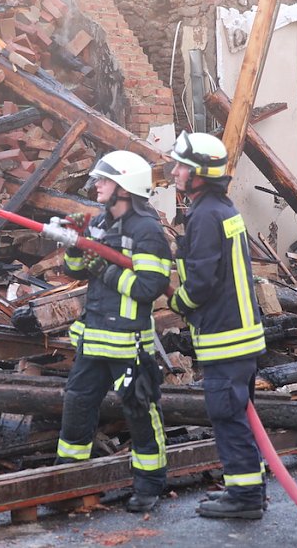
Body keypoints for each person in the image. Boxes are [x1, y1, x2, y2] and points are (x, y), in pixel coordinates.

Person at [56, 150, 172, 513]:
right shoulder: (100, 222)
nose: (97, 185)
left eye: (104, 180)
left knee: (139, 411)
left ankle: (149, 484)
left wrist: (104, 270)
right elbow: (76, 270)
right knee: (77, 405)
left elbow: (149, 287)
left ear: (125, 187)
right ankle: (68, 481)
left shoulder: (147, 231)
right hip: (93, 338)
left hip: (128, 344)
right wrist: (74, 241)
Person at [168, 131, 267, 520]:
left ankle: (244, 499)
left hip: (226, 338)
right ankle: (250, 489)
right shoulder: (220, 208)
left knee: (227, 416)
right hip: (241, 336)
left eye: (181, 167)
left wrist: (177, 302)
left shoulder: (206, 216)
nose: (174, 172)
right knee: (239, 416)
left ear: (199, 174)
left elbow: (202, 282)